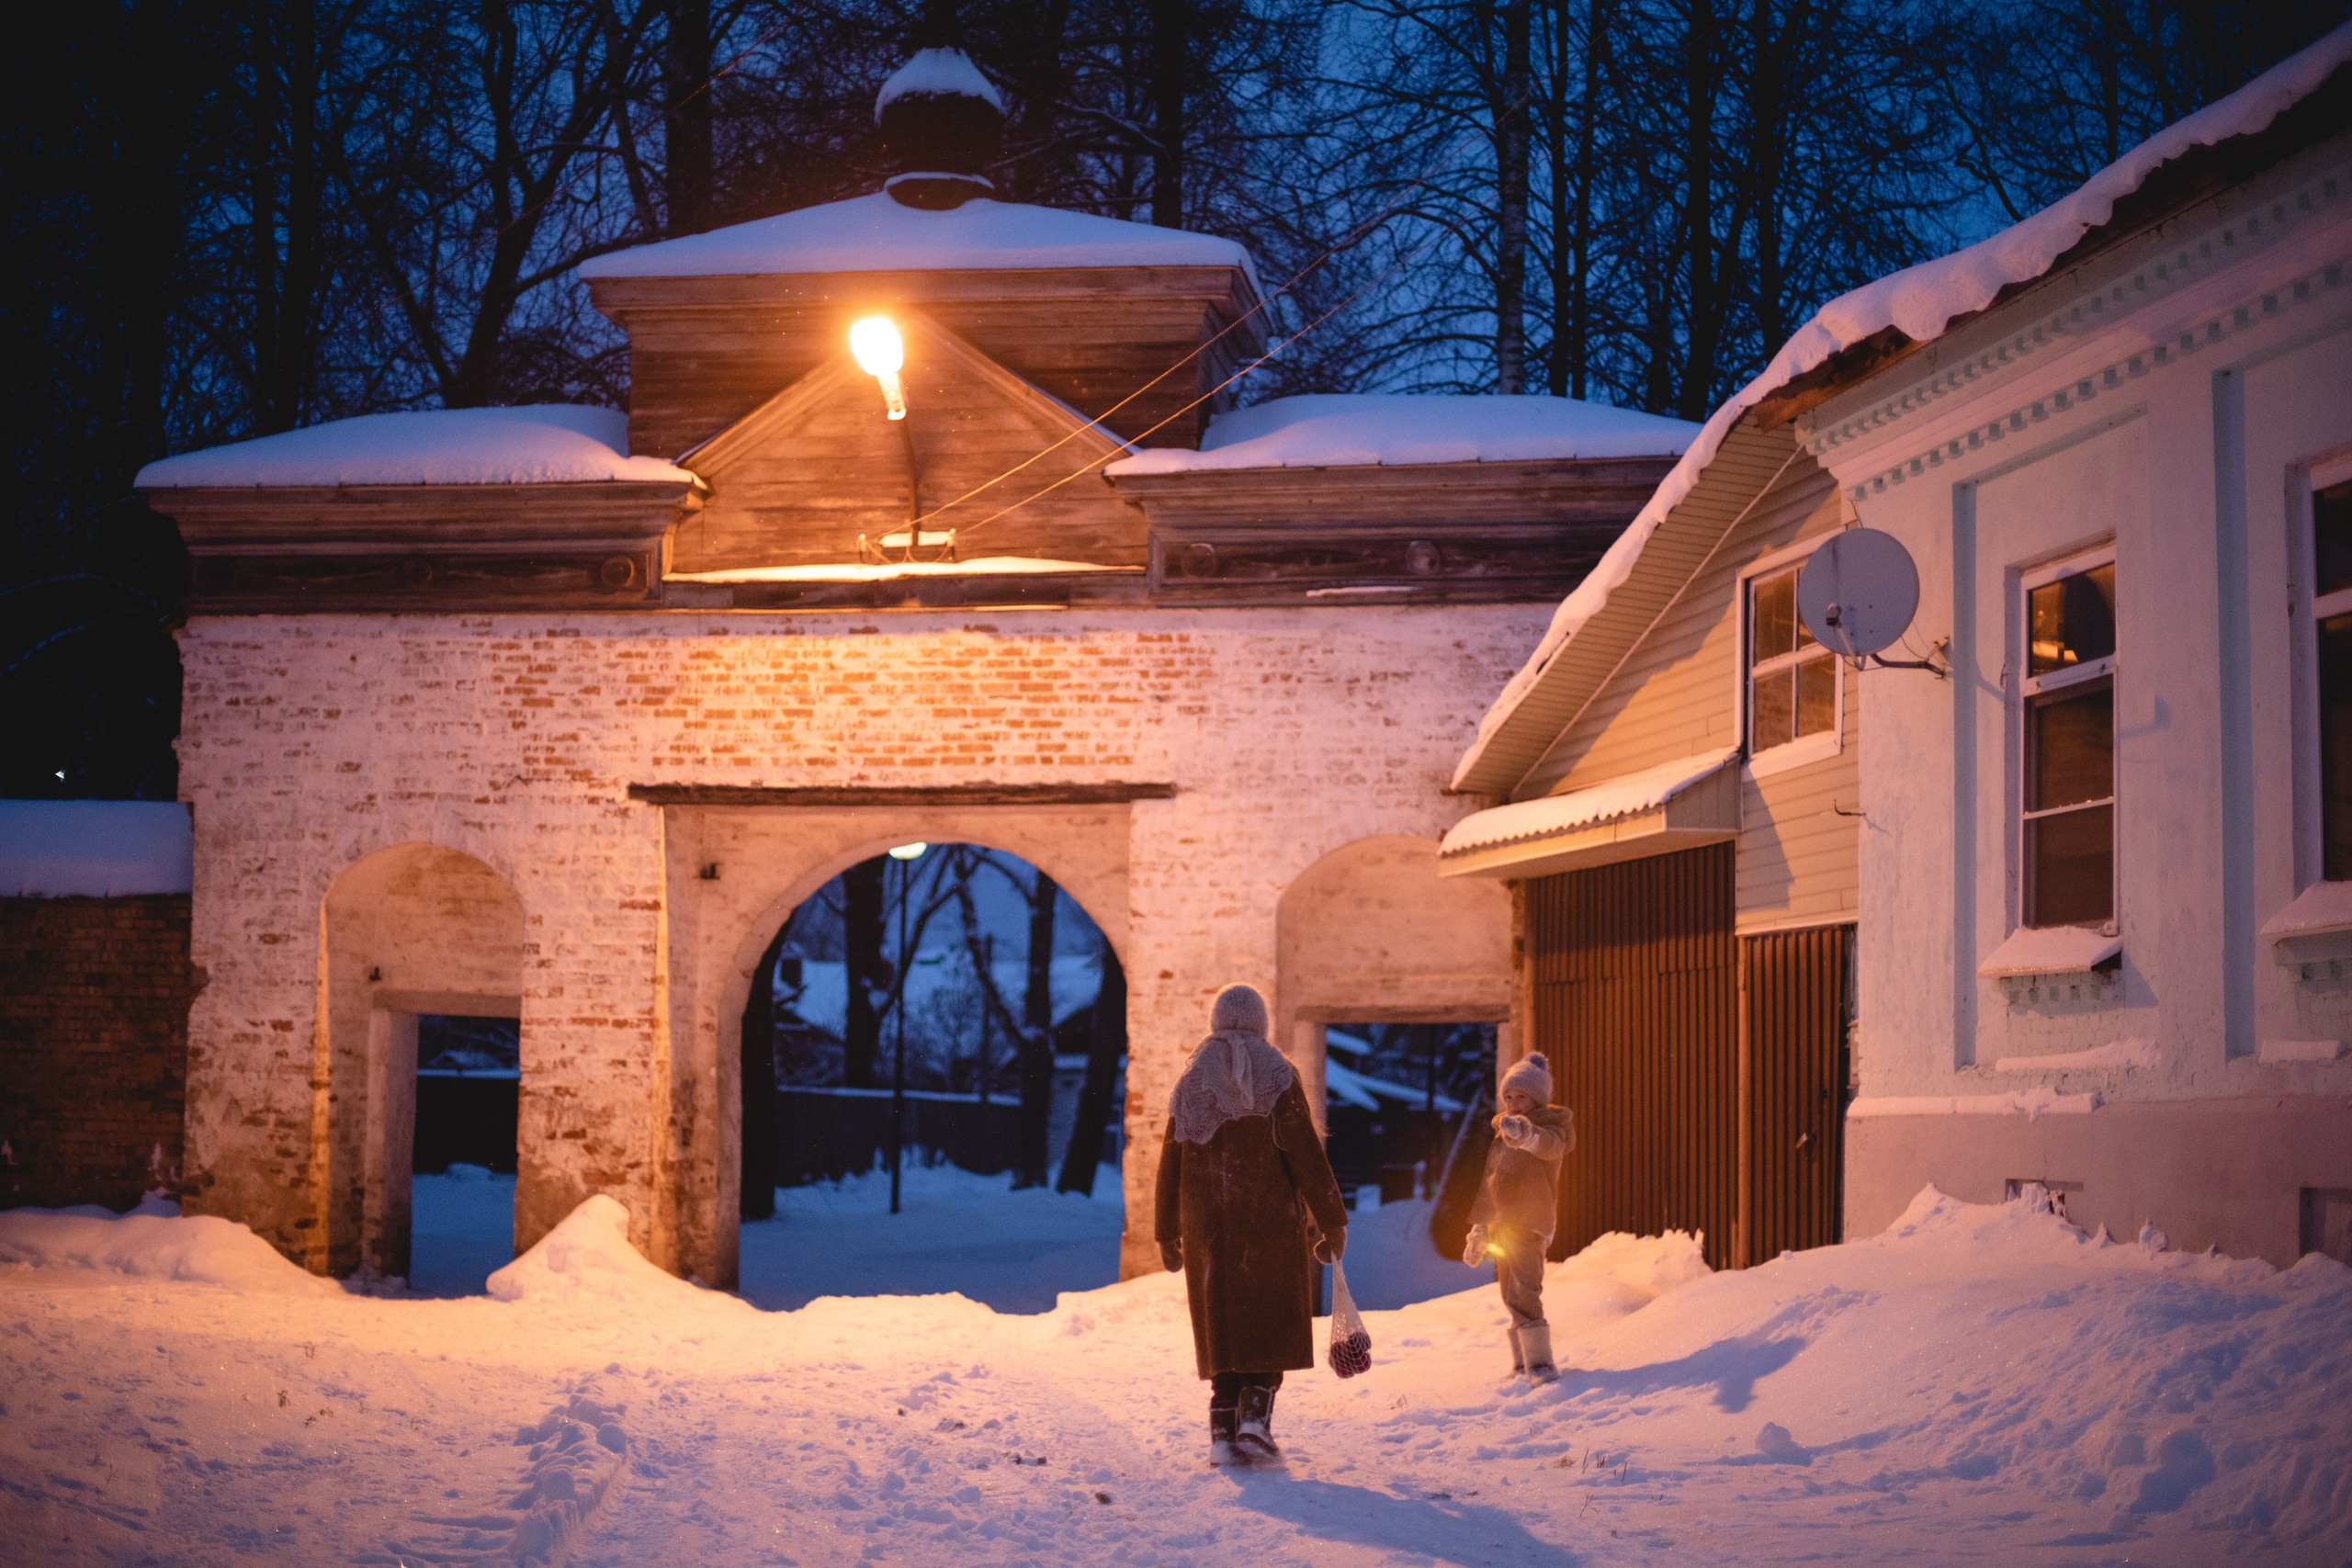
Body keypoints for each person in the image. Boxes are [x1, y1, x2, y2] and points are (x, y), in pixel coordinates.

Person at [1155, 984, 1348, 1464]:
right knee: (1269, 1318)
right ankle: (1255, 1421)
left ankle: (1222, 1433)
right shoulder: (1278, 1074)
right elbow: (1305, 1152)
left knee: (1221, 1325)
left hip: (1209, 1229)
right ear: (1260, 1022)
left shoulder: (1191, 1078)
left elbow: (1170, 1160)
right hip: (1269, 1222)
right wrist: (1332, 1220)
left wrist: (1166, 1231)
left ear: (1216, 1020)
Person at [1461, 1050, 1575, 1382]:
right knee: (1510, 1295)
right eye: (1508, 1097)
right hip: (1503, 1227)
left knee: (1526, 1293)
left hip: (1530, 1224)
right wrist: (1479, 1233)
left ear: (1536, 1099)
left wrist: (1523, 1133)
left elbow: (1546, 1145)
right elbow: (1491, 1186)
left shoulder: (1552, 1128)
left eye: (1521, 1097)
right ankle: (1523, 1363)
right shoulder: (1503, 1134)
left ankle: (1541, 1365)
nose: (1512, 1103)